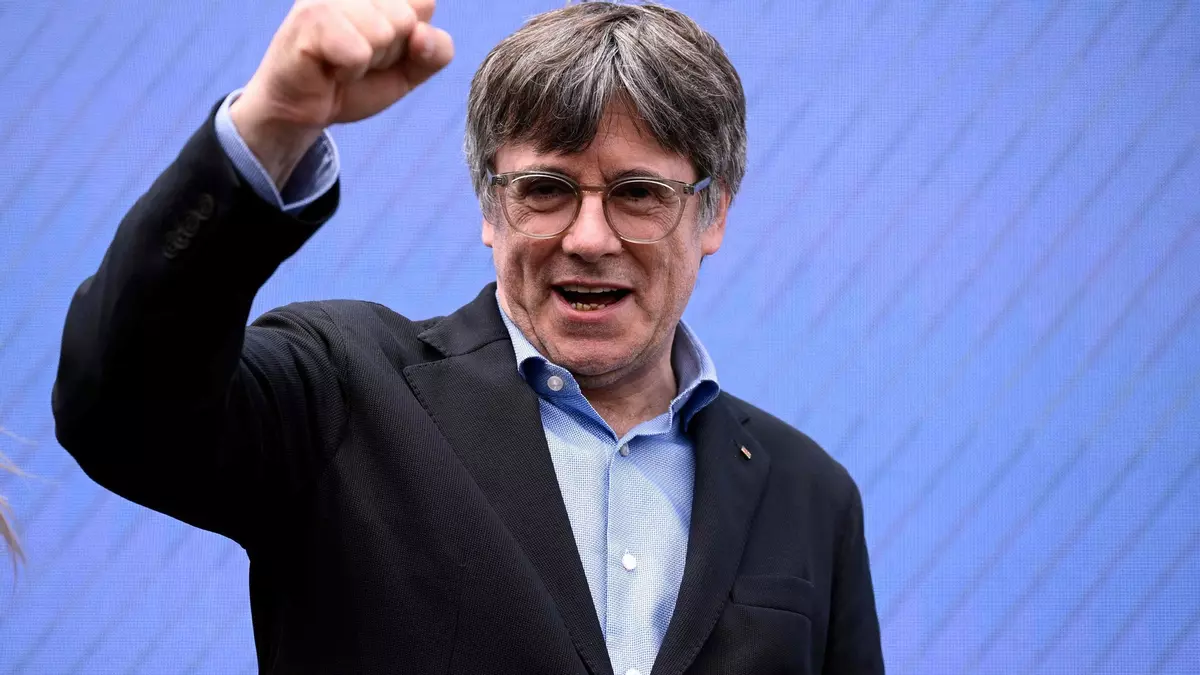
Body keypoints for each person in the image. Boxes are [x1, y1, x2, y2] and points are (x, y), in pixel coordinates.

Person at [52, 1, 884, 672]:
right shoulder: (346, 389)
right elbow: (119, 408)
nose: (589, 237)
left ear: (714, 212)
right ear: (490, 207)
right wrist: (274, 123)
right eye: (546, 189)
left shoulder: (812, 494)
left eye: (638, 194)